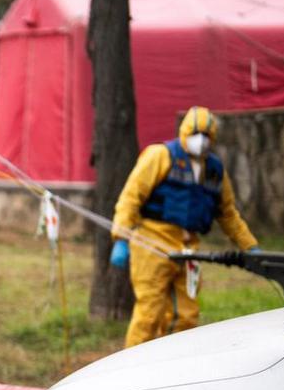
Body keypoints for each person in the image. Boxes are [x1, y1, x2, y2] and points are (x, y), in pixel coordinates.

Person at [110, 106, 259, 347]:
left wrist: (249, 246)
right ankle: (132, 365)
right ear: (184, 131)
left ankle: (173, 362)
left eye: (206, 135)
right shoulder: (160, 156)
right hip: (152, 242)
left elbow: (228, 213)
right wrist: (121, 238)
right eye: (195, 133)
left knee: (186, 316)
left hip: (189, 249)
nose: (200, 140)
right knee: (149, 314)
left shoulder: (214, 170)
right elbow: (131, 197)